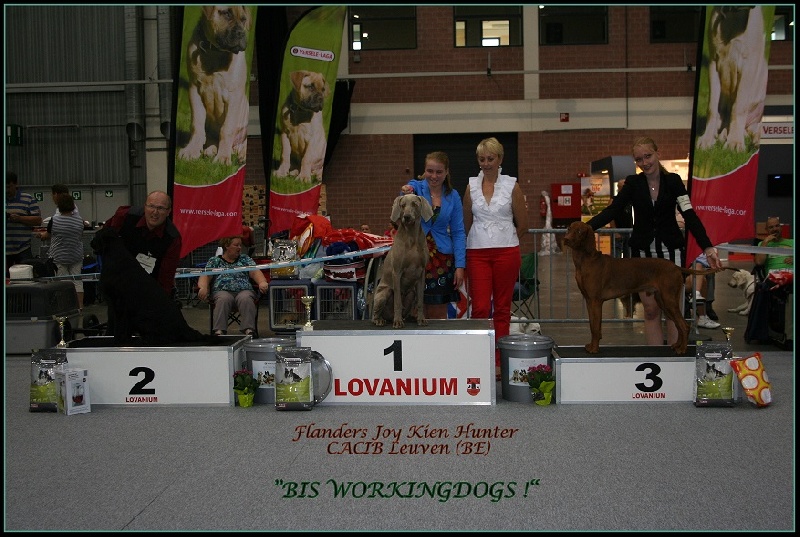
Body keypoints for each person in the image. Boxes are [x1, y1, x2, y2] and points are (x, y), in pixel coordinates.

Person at [587, 136, 722, 348]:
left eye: (648, 156)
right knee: (650, 311)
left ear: (658, 153)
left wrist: (708, 246)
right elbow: (613, 210)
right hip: (642, 255)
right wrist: (585, 228)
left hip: (671, 252)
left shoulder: (674, 182)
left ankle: (675, 355)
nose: (645, 162)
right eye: (639, 159)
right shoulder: (633, 183)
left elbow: (690, 215)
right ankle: (656, 356)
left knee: (672, 310)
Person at [462, 137, 528, 371]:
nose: (486, 163)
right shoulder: (470, 187)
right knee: (479, 308)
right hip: (477, 253)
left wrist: (505, 239)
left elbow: (523, 224)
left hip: (506, 252)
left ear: (500, 159)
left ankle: (499, 361)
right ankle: (479, 359)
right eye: (482, 159)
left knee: (502, 309)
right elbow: (466, 223)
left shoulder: (512, 186)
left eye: (490, 158)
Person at [400, 151, 467, 319]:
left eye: (439, 172)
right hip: (415, 256)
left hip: (442, 260)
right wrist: (407, 190)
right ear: (424, 170)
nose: (434, 176)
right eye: (430, 171)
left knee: (438, 313)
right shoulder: (416, 189)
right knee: (413, 309)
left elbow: (458, 232)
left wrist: (460, 266)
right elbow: (406, 194)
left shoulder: (453, 196)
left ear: (446, 172)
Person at [103, 191, 182, 297]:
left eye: (161, 208)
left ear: (169, 212)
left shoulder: (172, 239)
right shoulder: (125, 215)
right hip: (118, 280)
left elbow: (166, 278)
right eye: (151, 206)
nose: (155, 212)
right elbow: (104, 237)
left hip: (148, 288)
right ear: (145, 206)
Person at [197, 235, 269, 336]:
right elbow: (205, 276)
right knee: (223, 299)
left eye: (240, 245)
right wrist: (203, 287)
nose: (239, 248)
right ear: (227, 246)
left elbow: (255, 272)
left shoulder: (245, 259)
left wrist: (262, 282)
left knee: (246, 298)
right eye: (236, 245)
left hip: (244, 290)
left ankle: (249, 330)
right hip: (222, 291)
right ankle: (219, 331)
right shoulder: (214, 261)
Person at [37, 193, 85, 310]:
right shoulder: (80, 221)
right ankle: (80, 307)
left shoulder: (54, 220)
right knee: (77, 282)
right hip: (76, 255)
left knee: (62, 282)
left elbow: (48, 235)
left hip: (59, 256)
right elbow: (80, 235)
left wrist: (41, 235)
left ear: (59, 206)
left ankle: (64, 308)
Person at [6, 171, 43, 277]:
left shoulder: (28, 199)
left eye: (9, 187)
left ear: (16, 184)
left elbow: (38, 220)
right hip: (6, 251)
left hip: (23, 249)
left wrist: (19, 218)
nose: (6, 190)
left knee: (25, 279)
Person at [684, 253, 721, 329]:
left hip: (689, 275)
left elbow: (701, 258)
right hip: (674, 275)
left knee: (700, 273)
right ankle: (702, 314)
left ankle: (702, 315)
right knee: (698, 269)